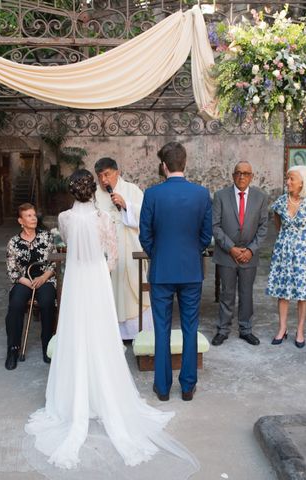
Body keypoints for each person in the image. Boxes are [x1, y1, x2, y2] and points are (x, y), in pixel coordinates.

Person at [24, 169, 197, 471]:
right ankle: (106, 395)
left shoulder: (64, 218)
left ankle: (75, 398)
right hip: (98, 282)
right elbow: (113, 258)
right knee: (102, 334)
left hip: (77, 281)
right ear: (93, 191)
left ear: (72, 192)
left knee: (77, 334)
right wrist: (101, 273)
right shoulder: (105, 218)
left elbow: (69, 244)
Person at [139, 142, 212, 402]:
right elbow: (206, 235)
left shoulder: (152, 194)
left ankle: (162, 388)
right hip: (191, 270)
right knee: (190, 328)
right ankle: (188, 386)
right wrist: (193, 252)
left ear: (164, 166)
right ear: (185, 163)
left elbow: (144, 235)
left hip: (162, 271)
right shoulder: (202, 194)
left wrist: (157, 254)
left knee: (162, 329)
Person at [211, 160, 268, 346]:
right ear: (232, 175)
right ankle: (223, 329)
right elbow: (216, 226)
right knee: (227, 293)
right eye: (238, 172)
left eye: (246, 173)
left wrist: (251, 250)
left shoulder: (260, 197)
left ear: (252, 176)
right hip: (227, 254)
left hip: (249, 256)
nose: (241, 176)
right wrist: (231, 248)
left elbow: (263, 227)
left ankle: (246, 329)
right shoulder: (220, 196)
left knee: (246, 293)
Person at [94, 157, 151, 340]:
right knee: (107, 290)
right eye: (100, 176)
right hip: (105, 253)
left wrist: (127, 206)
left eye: (107, 175)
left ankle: (135, 332)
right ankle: (110, 334)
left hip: (129, 250)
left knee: (132, 286)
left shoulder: (132, 190)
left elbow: (146, 216)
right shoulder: (94, 194)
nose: (104, 180)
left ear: (117, 172)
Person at [266, 165, 306, 348]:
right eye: (287, 178)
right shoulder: (280, 202)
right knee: (282, 292)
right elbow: (278, 226)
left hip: (304, 253)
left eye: (292, 179)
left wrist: (301, 247)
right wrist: (287, 244)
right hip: (283, 251)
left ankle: (300, 330)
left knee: (302, 294)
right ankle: (282, 329)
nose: (287, 181)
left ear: (302, 182)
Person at [4, 203, 56, 369]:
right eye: (28, 216)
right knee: (16, 303)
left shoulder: (46, 237)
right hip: (24, 281)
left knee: (47, 302)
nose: (33, 218)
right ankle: (13, 349)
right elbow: (12, 270)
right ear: (21, 220)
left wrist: (44, 277)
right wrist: (26, 280)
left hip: (45, 279)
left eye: (34, 215)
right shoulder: (13, 242)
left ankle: (48, 346)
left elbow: (54, 262)